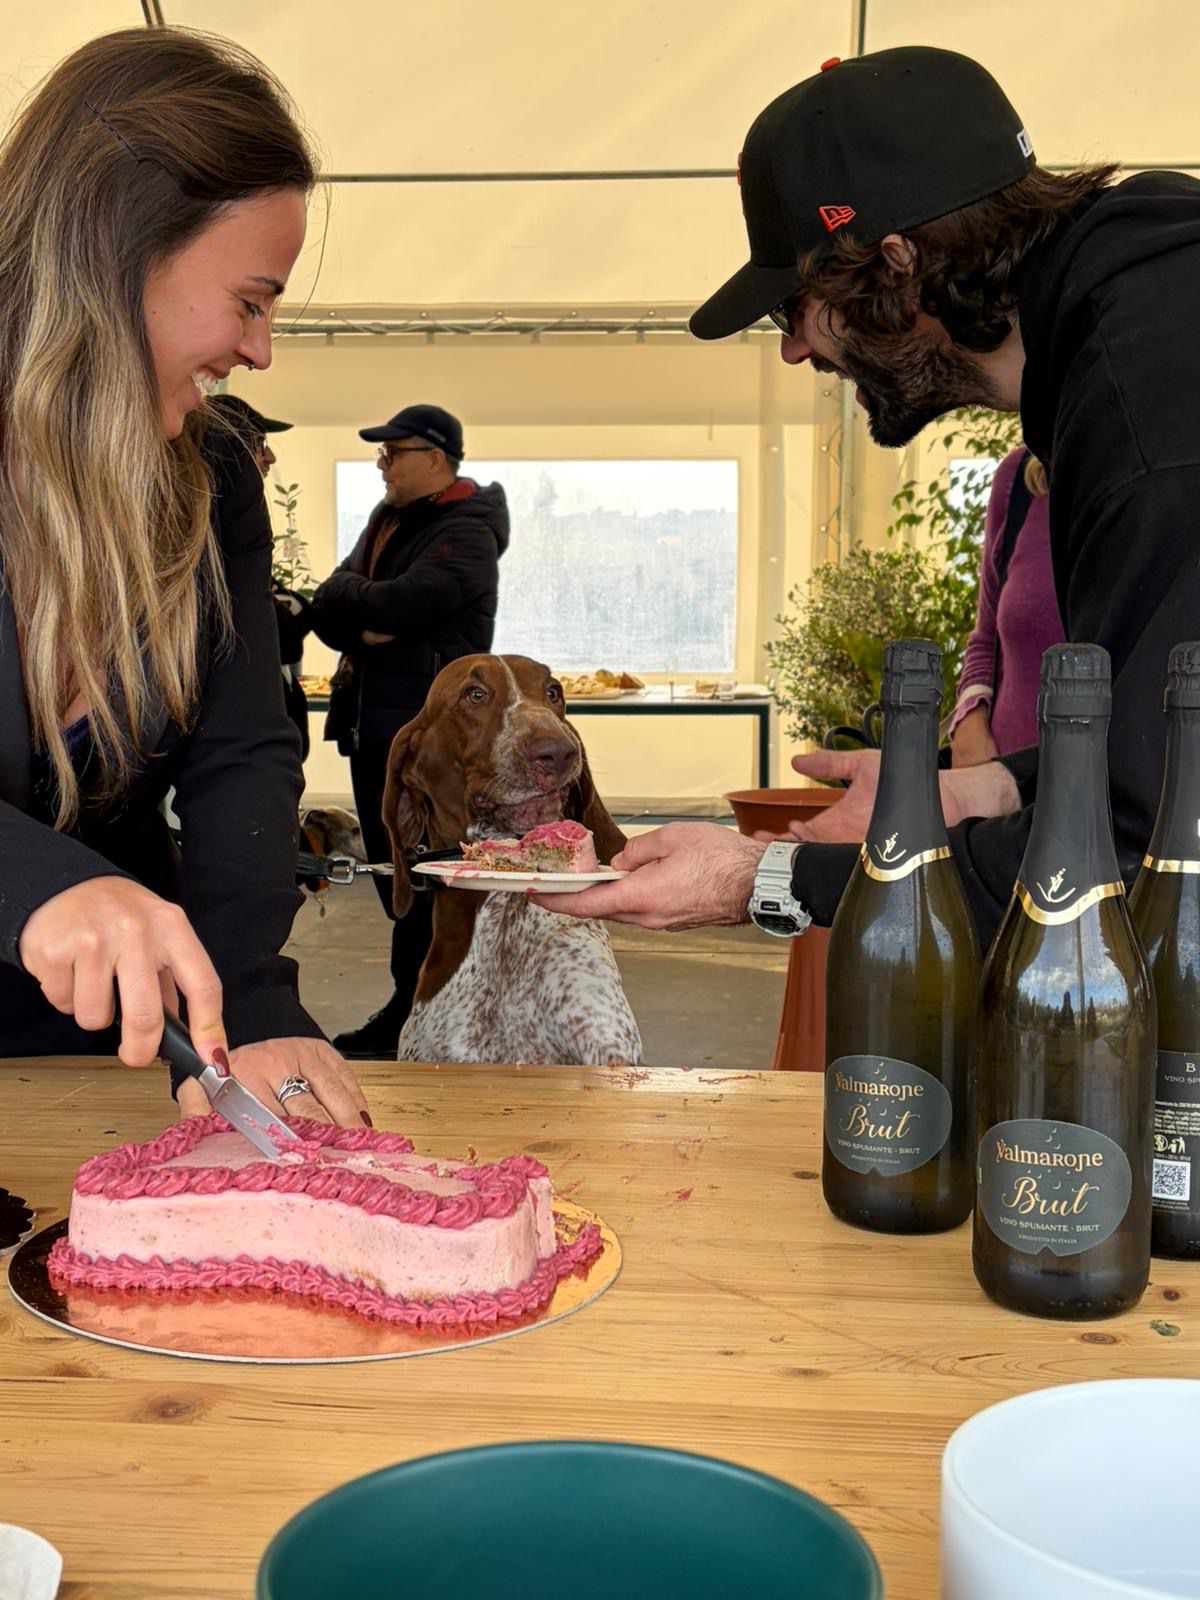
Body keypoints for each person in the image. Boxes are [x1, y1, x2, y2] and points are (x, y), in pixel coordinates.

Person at [541, 44, 1200, 954]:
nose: (795, 352)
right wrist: (983, 787)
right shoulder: (1144, 302)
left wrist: (763, 877)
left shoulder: (1147, 411)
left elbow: (1143, 857)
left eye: (795, 309)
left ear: (897, 265)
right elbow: (1166, 756)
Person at [0, 27, 367, 1129]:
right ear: (120, 254)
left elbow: (242, 755)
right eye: (250, 300)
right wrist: (39, 882)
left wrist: (249, 1003)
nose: (260, 352)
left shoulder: (208, 476)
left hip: (90, 1053)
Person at [307, 405, 509, 1057]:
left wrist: (362, 606)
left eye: (393, 454)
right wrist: (361, 613)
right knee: (399, 878)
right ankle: (412, 1012)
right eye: (381, 454)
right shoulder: (388, 520)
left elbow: (407, 602)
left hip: (431, 741)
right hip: (374, 728)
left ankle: (420, 1013)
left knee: (428, 875)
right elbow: (327, 604)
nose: (382, 466)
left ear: (436, 457)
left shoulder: (468, 531)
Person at [210, 392, 311, 759]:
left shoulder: (239, 527)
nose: (270, 457)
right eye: (259, 444)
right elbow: (277, 631)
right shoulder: (211, 534)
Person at [947, 448, 1062, 767]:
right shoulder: (1020, 479)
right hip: (1004, 802)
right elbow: (986, 640)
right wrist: (970, 721)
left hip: (1123, 807)